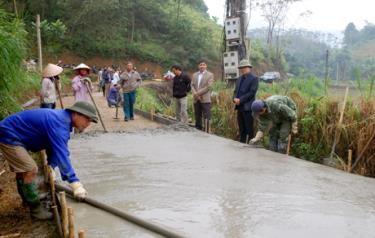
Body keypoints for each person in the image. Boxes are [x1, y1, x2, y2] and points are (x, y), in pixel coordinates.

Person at [0, 101, 98, 219]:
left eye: (90, 121)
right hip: (9, 134)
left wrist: (51, 165)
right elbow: (62, 155)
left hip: (13, 133)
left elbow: (56, 148)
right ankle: (36, 209)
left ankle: (28, 198)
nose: (88, 124)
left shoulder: (63, 121)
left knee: (24, 170)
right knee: (30, 169)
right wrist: (75, 184)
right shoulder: (60, 123)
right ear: (76, 114)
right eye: (87, 119)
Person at [233, 59, 259, 143]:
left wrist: (240, 100)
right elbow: (235, 91)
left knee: (249, 128)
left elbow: (252, 93)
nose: (242, 69)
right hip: (239, 106)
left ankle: (249, 144)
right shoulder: (239, 78)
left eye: (244, 67)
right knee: (241, 127)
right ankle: (242, 142)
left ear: (249, 67)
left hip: (248, 107)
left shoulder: (254, 78)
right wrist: (234, 98)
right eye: (241, 67)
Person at [191, 60, 214, 130]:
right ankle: (198, 129)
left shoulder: (210, 75)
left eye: (203, 65)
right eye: (200, 65)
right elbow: (191, 85)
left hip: (205, 99)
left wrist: (198, 93)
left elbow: (209, 86)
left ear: (206, 66)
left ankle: (207, 131)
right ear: (198, 66)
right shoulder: (194, 75)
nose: (202, 66)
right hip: (196, 98)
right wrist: (195, 93)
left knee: (207, 116)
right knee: (197, 115)